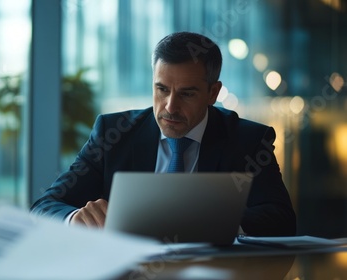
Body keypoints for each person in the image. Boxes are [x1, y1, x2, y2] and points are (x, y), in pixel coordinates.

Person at [31, 31, 296, 237]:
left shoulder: (247, 141)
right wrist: (75, 217)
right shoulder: (112, 134)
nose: (170, 106)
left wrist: (218, 222)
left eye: (187, 93)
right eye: (162, 89)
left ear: (213, 94)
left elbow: (281, 219)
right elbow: (45, 205)